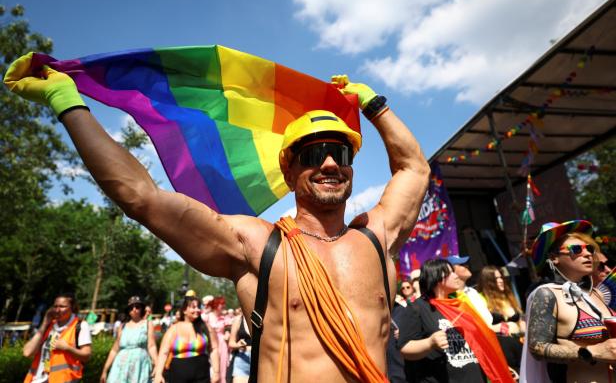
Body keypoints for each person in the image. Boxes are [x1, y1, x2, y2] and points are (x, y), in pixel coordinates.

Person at [4, 57, 430, 382]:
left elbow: (415, 169)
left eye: (343, 152)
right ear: (289, 170)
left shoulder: (377, 239)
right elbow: (141, 197)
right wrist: (67, 102)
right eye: (314, 153)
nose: (332, 163)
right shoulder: (255, 245)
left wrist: (375, 105)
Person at [522, 220, 616, 383]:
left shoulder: (596, 294)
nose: (587, 254)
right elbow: (537, 347)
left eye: (590, 249)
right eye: (576, 249)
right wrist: (593, 352)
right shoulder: (547, 293)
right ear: (554, 258)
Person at [397, 259, 512, 383]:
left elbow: (479, 343)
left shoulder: (459, 304)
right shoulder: (418, 308)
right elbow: (405, 348)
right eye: (451, 272)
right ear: (438, 276)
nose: (456, 275)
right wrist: (430, 342)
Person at [22, 292, 92, 383]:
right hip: (37, 380)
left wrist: (67, 348)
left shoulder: (80, 326)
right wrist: (44, 323)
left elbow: (86, 356)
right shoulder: (49, 325)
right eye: (55, 306)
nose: (57, 310)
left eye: (62, 306)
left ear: (72, 307)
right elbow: (27, 353)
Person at [154, 296, 220, 383]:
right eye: (193, 307)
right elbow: (163, 352)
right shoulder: (174, 329)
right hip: (177, 375)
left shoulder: (205, 327)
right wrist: (158, 374)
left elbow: (214, 349)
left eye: (198, 307)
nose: (197, 310)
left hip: (202, 374)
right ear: (184, 310)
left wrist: (216, 372)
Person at [477, 266, 524, 374]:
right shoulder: (480, 299)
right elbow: (480, 329)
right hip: (502, 350)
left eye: (501, 277)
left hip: (519, 345)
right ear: (487, 282)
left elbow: (519, 320)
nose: (500, 281)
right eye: (495, 279)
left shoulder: (508, 296)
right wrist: (501, 327)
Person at [100, 296, 158, 383]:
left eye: (137, 307)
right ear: (128, 311)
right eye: (131, 307)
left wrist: (157, 365)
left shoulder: (147, 324)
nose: (134, 309)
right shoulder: (122, 326)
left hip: (139, 367)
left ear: (142, 309)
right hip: (120, 368)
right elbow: (114, 350)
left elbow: (152, 346)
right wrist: (105, 370)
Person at [444, 255, 493, 326]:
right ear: (451, 271)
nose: (467, 266)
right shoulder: (450, 297)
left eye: (466, 264)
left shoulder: (473, 291)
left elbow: (487, 319)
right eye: (462, 264)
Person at [207, 297, 230, 383]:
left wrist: (228, 332)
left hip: (222, 343)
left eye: (224, 304)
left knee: (222, 367)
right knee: (211, 367)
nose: (223, 306)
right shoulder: (207, 317)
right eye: (221, 304)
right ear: (216, 305)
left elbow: (229, 327)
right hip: (211, 344)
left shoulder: (224, 318)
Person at [228, 314, 252, 383]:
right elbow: (231, 343)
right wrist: (238, 345)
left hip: (260, 360)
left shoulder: (262, 317)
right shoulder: (238, 319)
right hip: (242, 360)